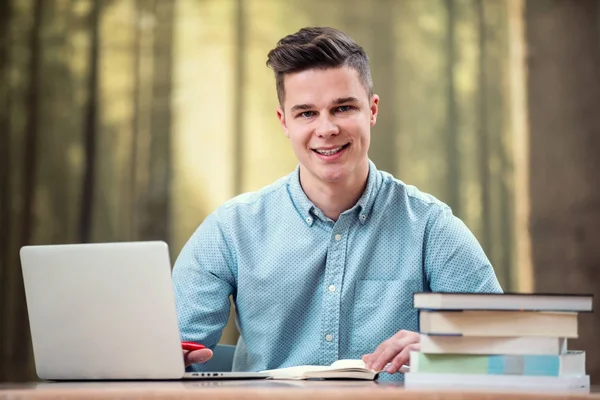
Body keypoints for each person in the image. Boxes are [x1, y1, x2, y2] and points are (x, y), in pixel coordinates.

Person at [172, 26, 502, 380]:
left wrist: (444, 351)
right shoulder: (230, 230)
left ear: (372, 110)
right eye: (306, 113)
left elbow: (508, 351)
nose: (326, 129)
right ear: (284, 121)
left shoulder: (430, 227)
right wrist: (169, 356)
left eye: (343, 108)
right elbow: (170, 350)